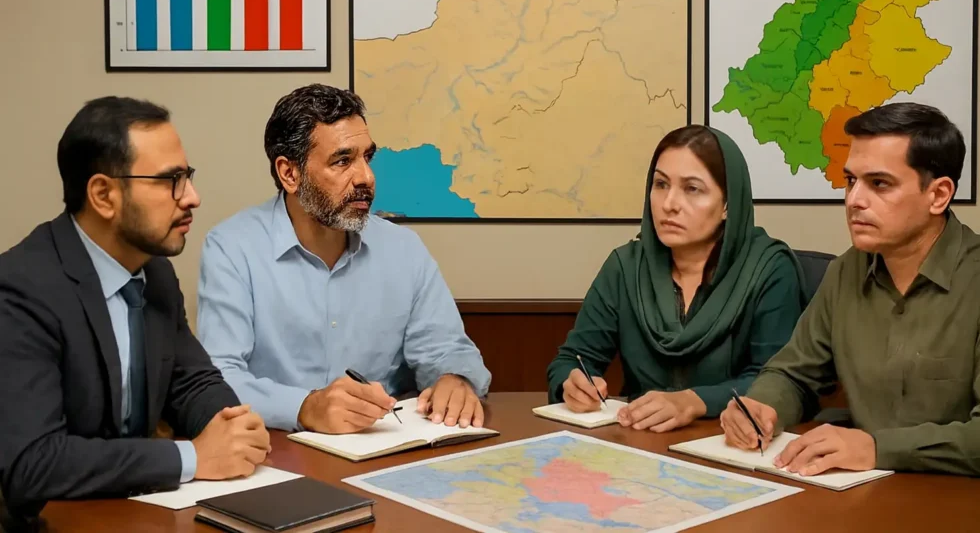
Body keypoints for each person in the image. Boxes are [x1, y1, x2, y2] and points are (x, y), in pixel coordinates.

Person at [0, 97, 270, 531]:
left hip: (133, 513)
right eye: (171, 181)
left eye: (188, 176)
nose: (192, 198)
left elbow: (191, 381)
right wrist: (194, 457)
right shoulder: (21, 289)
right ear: (103, 195)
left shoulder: (153, 270)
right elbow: (33, 462)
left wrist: (232, 426)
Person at [721, 103, 980, 482]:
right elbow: (796, 374)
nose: (854, 200)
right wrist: (762, 405)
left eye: (879, 184)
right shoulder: (847, 270)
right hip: (863, 492)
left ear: (938, 195)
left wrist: (877, 448)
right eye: (851, 181)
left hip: (967, 501)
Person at [197, 84, 491, 434]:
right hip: (277, 449)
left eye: (367, 157)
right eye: (343, 160)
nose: (366, 177)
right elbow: (220, 376)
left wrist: (455, 379)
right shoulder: (232, 249)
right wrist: (304, 407)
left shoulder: (403, 249)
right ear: (289, 174)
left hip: (383, 445)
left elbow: (446, 348)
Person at [546, 125, 807, 432]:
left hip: (730, 443)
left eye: (692, 189)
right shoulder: (626, 266)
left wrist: (694, 401)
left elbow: (776, 382)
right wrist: (572, 382)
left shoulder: (769, 269)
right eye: (660, 184)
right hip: (642, 442)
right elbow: (572, 360)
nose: (669, 204)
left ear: (727, 204)